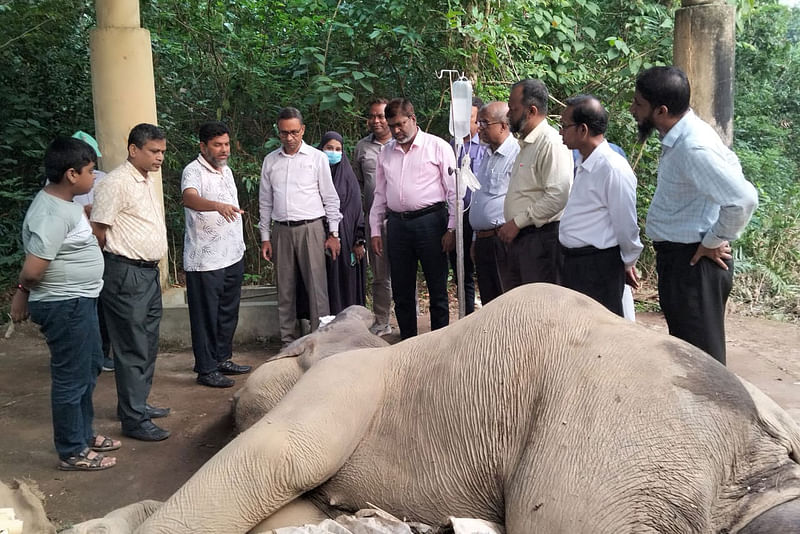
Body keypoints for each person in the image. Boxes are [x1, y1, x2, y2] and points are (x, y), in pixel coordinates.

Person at [630, 66, 758, 364]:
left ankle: (718, 412)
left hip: (694, 264)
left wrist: (713, 241)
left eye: (638, 104)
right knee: (689, 358)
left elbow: (743, 199)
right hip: (682, 262)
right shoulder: (682, 137)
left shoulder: (693, 146)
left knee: (704, 365)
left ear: (661, 110)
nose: (632, 110)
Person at [11, 136, 118, 470]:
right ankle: (72, 451)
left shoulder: (66, 206)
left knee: (88, 369)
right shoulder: (51, 213)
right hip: (64, 304)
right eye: (90, 170)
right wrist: (21, 292)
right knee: (71, 378)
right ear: (72, 174)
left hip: (78, 301)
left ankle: (84, 434)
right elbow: (32, 271)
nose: (94, 177)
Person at [90, 123, 171, 442]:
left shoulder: (145, 180)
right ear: (133, 149)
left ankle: (137, 405)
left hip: (147, 273)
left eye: (162, 151)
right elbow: (99, 230)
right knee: (132, 345)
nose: (159, 157)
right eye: (154, 151)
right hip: (125, 273)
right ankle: (133, 419)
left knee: (147, 343)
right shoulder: (116, 183)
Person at [370, 98, 457, 339]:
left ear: (413, 119)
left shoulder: (437, 146)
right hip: (397, 225)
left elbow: (453, 191)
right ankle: (407, 342)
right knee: (401, 289)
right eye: (392, 125)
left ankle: (440, 343)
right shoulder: (385, 153)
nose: (396, 131)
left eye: (400, 124)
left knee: (437, 287)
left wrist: (451, 229)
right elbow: (380, 193)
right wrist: (375, 230)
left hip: (431, 222)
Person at [259, 107, 342, 346]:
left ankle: (320, 341)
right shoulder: (271, 161)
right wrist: (265, 237)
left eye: (294, 132)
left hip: (312, 228)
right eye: (284, 133)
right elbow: (265, 201)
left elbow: (330, 197)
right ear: (278, 132)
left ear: (302, 130)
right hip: (281, 230)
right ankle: (288, 340)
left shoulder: (317, 158)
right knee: (284, 288)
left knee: (317, 288)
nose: (289, 137)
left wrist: (333, 233)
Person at [558, 95, 643, 316]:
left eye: (565, 126)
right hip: (574, 263)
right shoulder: (583, 162)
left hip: (598, 267)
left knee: (599, 335)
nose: (560, 132)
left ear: (583, 130)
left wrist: (628, 261)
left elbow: (626, 225)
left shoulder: (612, 168)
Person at [182, 121, 251, 389]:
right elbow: (189, 198)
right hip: (205, 259)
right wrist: (216, 206)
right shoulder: (193, 171)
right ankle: (206, 368)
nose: (224, 150)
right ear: (203, 146)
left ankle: (223, 359)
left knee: (227, 312)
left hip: (232, 254)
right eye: (217, 145)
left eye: (226, 144)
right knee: (205, 316)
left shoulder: (227, 171)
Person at [501, 79, 573, 286]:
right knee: (519, 308)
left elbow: (558, 195)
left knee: (538, 309)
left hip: (541, 240)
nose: (508, 114)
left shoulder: (550, 143)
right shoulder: (525, 144)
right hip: (521, 239)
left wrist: (519, 221)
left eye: (513, 109)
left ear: (531, 111)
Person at [70, 130, 114, 372]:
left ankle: (102, 353)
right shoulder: (57, 185)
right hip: (79, 254)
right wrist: (86, 212)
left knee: (103, 306)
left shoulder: (104, 178)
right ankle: (85, 355)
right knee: (84, 307)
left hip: (102, 249)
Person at [469, 101, 519, 305]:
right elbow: (481, 198)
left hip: (503, 240)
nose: (479, 128)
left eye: (484, 123)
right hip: (484, 242)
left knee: (506, 302)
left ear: (503, 125)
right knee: (490, 303)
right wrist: (475, 238)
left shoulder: (516, 154)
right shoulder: (488, 154)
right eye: (479, 122)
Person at [352, 99, 393, 336]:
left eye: (381, 116)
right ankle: (381, 320)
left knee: (404, 270)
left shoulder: (401, 144)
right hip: (373, 220)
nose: (376, 121)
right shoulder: (362, 148)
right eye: (372, 116)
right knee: (379, 273)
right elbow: (357, 185)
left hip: (400, 218)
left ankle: (411, 316)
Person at [318, 131, 366, 314]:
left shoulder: (348, 177)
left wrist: (359, 240)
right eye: (329, 148)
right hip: (318, 235)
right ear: (320, 149)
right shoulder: (313, 173)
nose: (333, 152)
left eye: (338, 149)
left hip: (346, 242)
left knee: (345, 283)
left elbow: (357, 210)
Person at [449, 96, 487, 315]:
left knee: (483, 270)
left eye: (470, 118)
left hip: (480, 216)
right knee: (461, 272)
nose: (463, 123)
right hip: (457, 216)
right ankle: (467, 317)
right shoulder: (450, 148)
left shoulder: (485, 147)